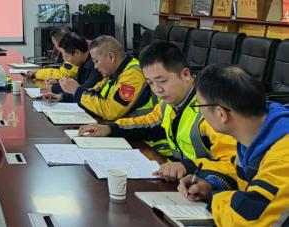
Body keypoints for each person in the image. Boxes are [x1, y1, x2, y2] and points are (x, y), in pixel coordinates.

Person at [78, 42, 236, 181]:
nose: (157, 90)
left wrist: (187, 166)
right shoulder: (169, 103)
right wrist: (110, 128)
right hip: (181, 180)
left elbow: (233, 165)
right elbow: (147, 122)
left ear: (185, 74)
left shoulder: (210, 109)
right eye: (151, 83)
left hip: (210, 188)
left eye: (162, 81)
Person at [177, 65, 288, 227]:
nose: (201, 114)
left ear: (221, 114)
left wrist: (215, 197)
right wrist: (211, 185)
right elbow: (242, 174)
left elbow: (247, 220)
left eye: (199, 107)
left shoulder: (283, 157)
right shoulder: (258, 132)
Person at [60, 35, 153, 121]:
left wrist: (77, 91)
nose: (95, 67)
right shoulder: (113, 73)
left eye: (96, 61)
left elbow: (111, 111)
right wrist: (65, 96)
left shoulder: (133, 74)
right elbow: (94, 93)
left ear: (111, 57)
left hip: (138, 131)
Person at [40, 33, 101, 103]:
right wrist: (60, 84)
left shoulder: (95, 64)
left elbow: (85, 90)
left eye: (66, 56)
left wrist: (53, 88)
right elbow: (77, 85)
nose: (65, 60)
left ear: (77, 53)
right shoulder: (82, 62)